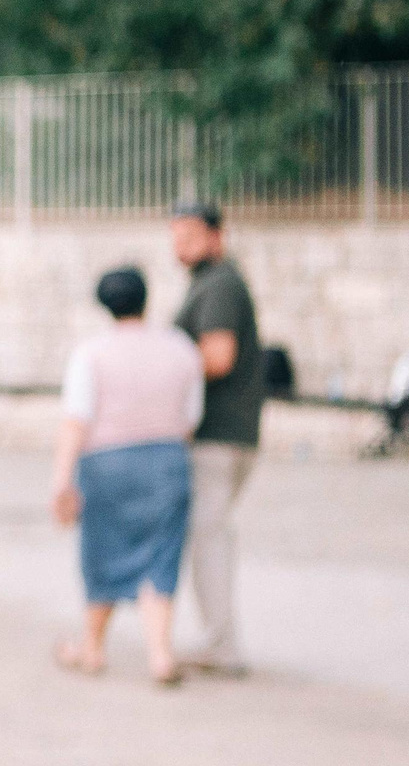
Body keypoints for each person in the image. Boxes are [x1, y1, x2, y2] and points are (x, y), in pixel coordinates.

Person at [51, 267, 203, 687]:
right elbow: (191, 418)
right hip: (168, 462)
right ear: (146, 298)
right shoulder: (181, 348)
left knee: (103, 553)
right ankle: (160, 655)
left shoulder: (91, 354)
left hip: (107, 465)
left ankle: (93, 649)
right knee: (161, 557)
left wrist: (62, 481)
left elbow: (75, 421)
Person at [170, 202, 264, 677]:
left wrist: (163, 365)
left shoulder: (220, 284)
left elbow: (218, 356)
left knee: (208, 539)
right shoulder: (211, 283)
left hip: (217, 435)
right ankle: (219, 640)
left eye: (189, 234)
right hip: (225, 435)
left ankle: (222, 647)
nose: (179, 244)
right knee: (210, 537)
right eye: (175, 234)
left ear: (216, 236)